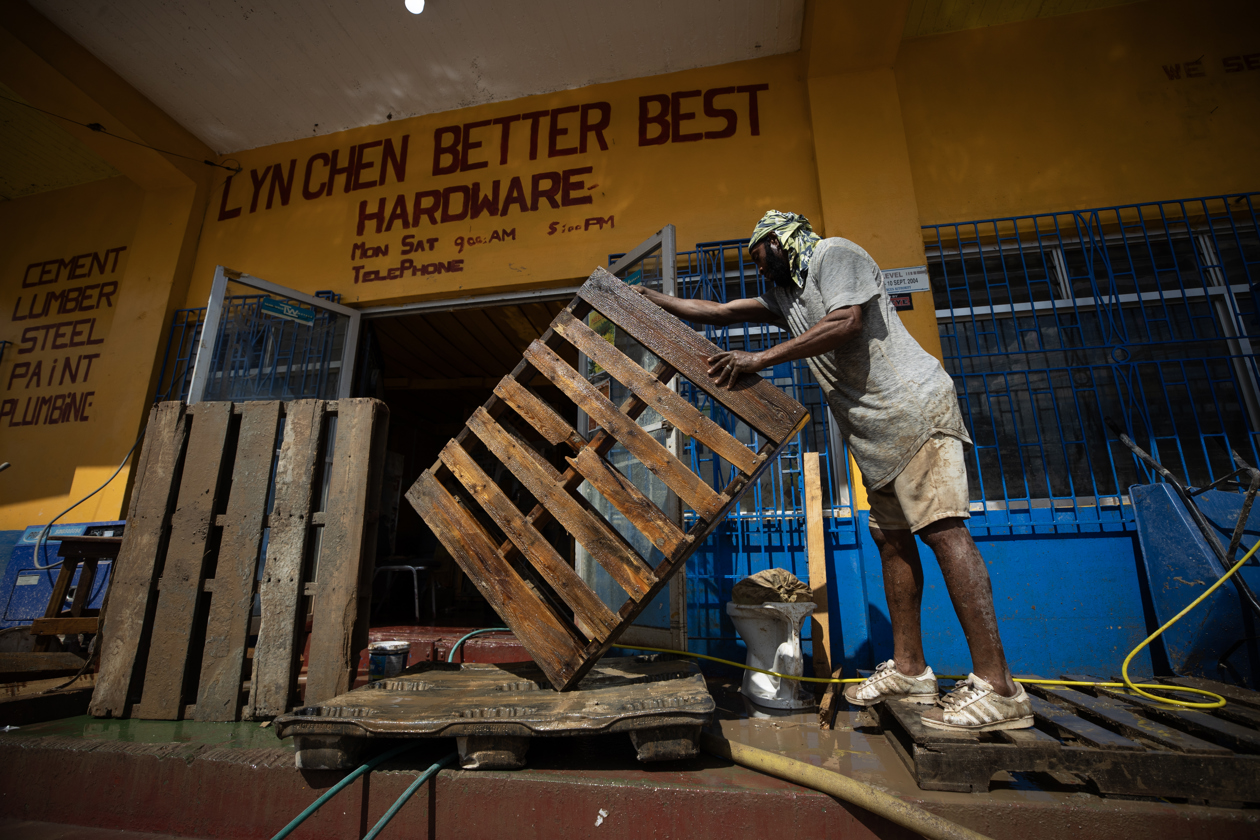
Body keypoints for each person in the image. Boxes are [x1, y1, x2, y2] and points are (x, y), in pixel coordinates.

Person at [636, 211, 1033, 731]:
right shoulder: (787, 297)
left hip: (912, 411)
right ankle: (911, 670)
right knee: (892, 541)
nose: (757, 268)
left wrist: (761, 359)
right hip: (874, 434)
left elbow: (847, 321)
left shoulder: (834, 255)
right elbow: (718, 311)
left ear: (781, 241)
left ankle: (998, 688)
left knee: (943, 531)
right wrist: (652, 300)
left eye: (759, 254)